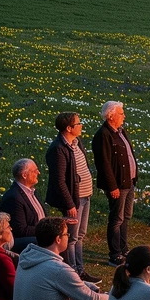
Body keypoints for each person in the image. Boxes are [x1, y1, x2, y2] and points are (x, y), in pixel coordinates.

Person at [45, 112, 97, 281]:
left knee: (80, 235)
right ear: (69, 128)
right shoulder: (58, 148)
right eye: (78, 123)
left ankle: (80, 269)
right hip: (74, 200)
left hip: (84, 195)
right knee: (72, 238)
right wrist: (69, 204)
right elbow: (59, 180)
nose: (81, 126)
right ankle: (74, 272)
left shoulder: (76, 142)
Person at [91, 101, 139, 266]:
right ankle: (115, 253)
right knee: (117, 219)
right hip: (118, 184)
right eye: (121, 113)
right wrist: (112, 186)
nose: (124, 116)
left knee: (126, 216)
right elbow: (104, 163)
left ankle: (124, 248)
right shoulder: (103, 135)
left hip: (129, 182)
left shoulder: (120, 131)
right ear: (110, 116)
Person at [0, 159, 47, 251]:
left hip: (39, 233)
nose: (38, 172)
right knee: (53, 240)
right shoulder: (13, 197)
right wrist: (45, 229)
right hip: (23, 240)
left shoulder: (33, 192)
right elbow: (20, 230)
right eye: (34, 171)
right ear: (24, 175)